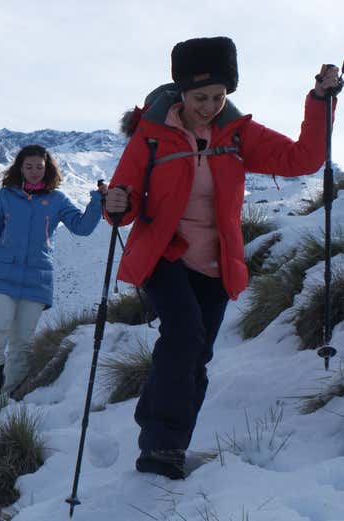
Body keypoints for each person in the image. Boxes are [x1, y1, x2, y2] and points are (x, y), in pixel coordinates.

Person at [104, 36, 341, 479]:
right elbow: (126, 197)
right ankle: (158, 447)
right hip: (164, 255)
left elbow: (302, 159)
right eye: (200, 97)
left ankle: (168, 446)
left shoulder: (237, 135)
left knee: (195, 356)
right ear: (180, 92)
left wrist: (320, 101)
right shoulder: (151, 135)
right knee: (185, 335)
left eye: (219, 96)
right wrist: (117, 204)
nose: (211, 105)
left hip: (215, 264)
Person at [0, 144, 108, 395]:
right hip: (2, 274)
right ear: (20, 169)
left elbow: (81, 227)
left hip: (37, 279)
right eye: (29, 167)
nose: (34, 171)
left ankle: (6, 397)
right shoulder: (6, 196)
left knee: (22, 343)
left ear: (47, 169)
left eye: (39, 167)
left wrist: (98, 201)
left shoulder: (57, 200)